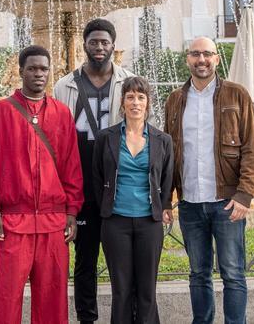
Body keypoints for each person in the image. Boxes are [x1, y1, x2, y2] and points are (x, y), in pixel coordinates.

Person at [0, 45, 84, 324]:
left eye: (43, 69)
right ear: (20, 71)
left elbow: (71, 168)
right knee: (7, 299)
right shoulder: (0, 112)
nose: (38, 74)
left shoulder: (61, 113)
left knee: (52, 299)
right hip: (13, 221)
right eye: (32, 68)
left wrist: (71, 212)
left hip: (52, 222)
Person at [164, 37, 254, 324]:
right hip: (191, 203)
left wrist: (244, 195)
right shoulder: (175, 99)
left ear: (217, 59)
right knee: (198, 273)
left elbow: (252, 149)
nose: (201, 59)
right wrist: (166, 199)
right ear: (187, 59)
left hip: (227, 202)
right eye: (195, 54)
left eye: (207, 54)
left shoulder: (237, 94)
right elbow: (169, 152)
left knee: (233, 272)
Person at [52, 17, 135, 324]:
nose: (99, 47)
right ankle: (87, 318)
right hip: (81, 184)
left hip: (118, 185)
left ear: (114, 45)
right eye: (94, 42)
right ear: (84, 45)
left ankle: (123, 317)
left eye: (105, 42)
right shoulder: (65, 85)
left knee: (120, 262)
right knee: (85, 260)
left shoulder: (129, 81)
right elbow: (57, 136)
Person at [93, 76, 174, 324]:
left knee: (147, 289)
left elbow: (167, 180)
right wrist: (107, 206)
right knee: (121, 289)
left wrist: (165, 206)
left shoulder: (162, 140)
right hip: (115, 222)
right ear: (123, 102)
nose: (135, 102)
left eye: (141, 97)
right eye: (130, 97)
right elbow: (97, 177)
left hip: (149, 222)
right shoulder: (106, 137)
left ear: (148, 103)